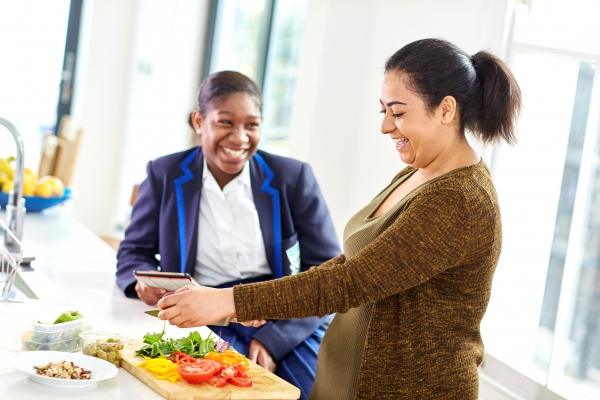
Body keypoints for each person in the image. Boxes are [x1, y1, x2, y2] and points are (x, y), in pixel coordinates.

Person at [157, 38, 523, 399]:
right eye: (383, 111)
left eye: (398, 112)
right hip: (342, 380)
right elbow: (352, 264)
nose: (385, 126)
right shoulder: (419, 172)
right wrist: (261, 303)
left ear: (446, 110)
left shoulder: (458, 200)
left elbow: (353, 281)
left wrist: (231, 301)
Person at [116, 70, 341, 399]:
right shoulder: (164, 173)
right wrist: (142, 283)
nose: (239, 138)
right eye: (225, 122)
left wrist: (272, 340)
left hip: (281, 316)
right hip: (204, 314)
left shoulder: (292, 178)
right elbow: (133, 251)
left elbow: (327, 274)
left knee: (302, 393)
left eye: (252, 125)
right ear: (198, 121)